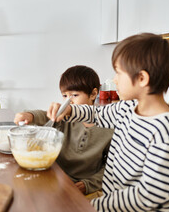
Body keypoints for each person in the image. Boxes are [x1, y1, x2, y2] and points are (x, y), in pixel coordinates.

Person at [48, 33, 169, 211]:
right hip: (114, 201)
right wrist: (71, 109)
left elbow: (149, 196)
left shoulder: (165, 131)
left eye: (119, 73)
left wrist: (92, 205)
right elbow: (96, 114)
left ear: (142, 78)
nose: (114, 79)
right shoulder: (127, 108)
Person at [14, 65, 113, 196]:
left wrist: (88, 184)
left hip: (88, 187)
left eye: (75, 95)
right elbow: (45, 116)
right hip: (55, 178)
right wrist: (29, 115)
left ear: (93, 94)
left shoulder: (109, 128)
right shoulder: (64, 117)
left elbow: (110, 167)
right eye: (64, 95)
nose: (68, 102)